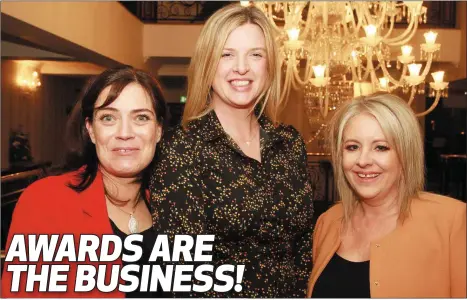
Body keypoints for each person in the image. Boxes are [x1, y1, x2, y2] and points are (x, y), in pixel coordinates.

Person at [149, 3, 314, 298]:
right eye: (227, 54)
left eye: (255, 54)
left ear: (269, 65)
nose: (242, 67)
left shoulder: (289, 143)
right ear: (207, 64)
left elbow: (303, 248)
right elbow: (182, 273)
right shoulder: (182, 150)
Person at [2, 66, 167, 298]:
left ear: (158, 130)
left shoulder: (174, 202)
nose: (125, 132)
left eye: (141, 117)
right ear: (90, 130)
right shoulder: (46, 200)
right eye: (108, 118)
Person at [307, 93, 466, 298]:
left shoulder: (452, 221)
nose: (363, 160)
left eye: (381, 147)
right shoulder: (327, 222)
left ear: (405, 154)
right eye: (352, 147)